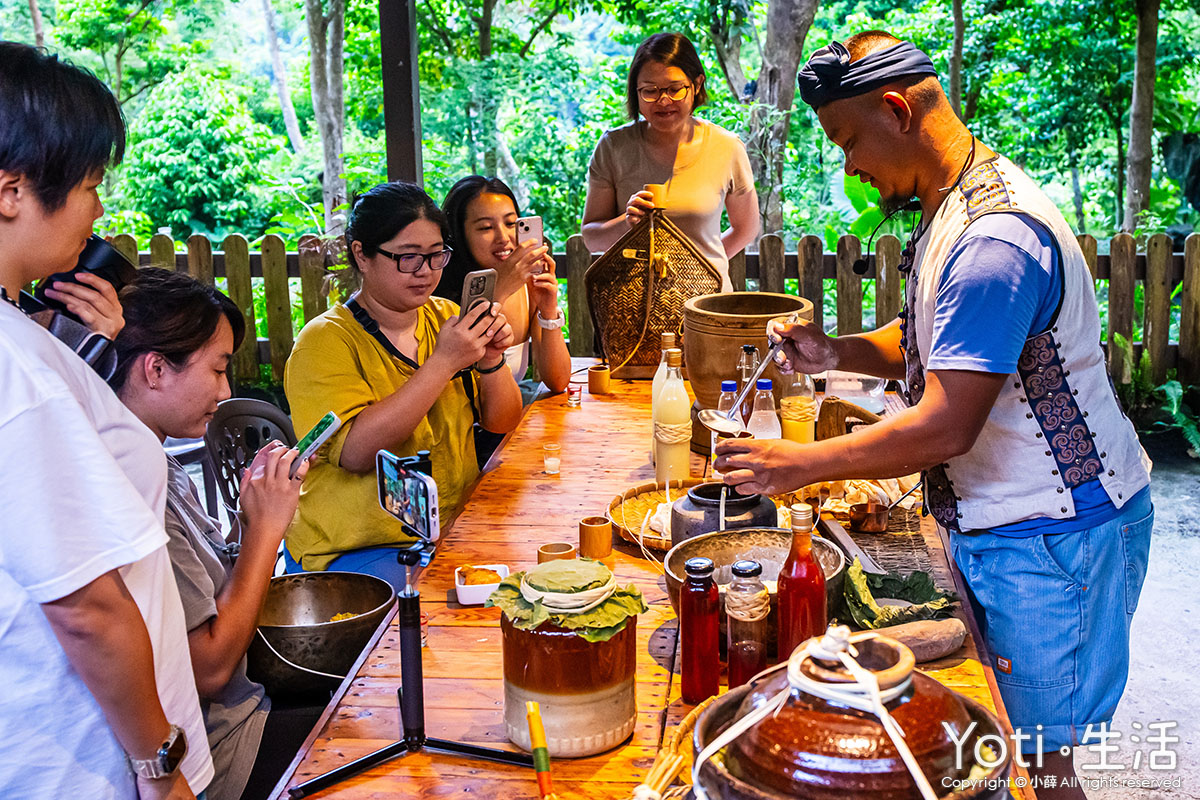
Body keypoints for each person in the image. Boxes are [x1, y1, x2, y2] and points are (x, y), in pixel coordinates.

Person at [716, 32, 1153, 797]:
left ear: (896, 109)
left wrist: (800, 466)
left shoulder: (995, 241)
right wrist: (836, 351)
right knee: (1002, 745)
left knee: (1039, 770)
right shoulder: (954, 196)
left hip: (1054, 537)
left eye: (848, 142)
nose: (849, 165)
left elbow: (948, 423)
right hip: (1004, 523)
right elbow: (939, 342)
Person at [0, 43, 212, 799]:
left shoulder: (24, 341)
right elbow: (86, 604)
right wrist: (160, 767)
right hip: (86, 765)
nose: (98, 210)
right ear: (11, 190)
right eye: (91, 185)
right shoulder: (14, 366)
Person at [110, 268, 319, 800]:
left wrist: (253, 515)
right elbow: (210, 666)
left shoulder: (157, 457)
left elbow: (213, 577)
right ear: (156, 369)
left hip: (244, 708)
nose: (226, 391)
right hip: (220, 753)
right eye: (218, 370)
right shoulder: (134, 489)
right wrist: (264, 534)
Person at [283, 181, 522, 588]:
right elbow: (356, 452)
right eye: (408, 258)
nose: (426, 272)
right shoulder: (323, 341)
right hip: (357, 549)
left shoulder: (445, 315)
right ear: (362, 254)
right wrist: (444, 362)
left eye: (436, 256)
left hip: (448, 528)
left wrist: (491, 360)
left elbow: (503, 423)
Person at [581, 32, 760, 291]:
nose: (663, 101)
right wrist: (627, 223)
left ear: (696, 85)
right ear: (636, 92)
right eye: (650, 91)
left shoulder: (727, 146)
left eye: (675, 89)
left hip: (707, 307)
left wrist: (698, 269)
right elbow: (591, 237)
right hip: (632, 310)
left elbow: (746, 229)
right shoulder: (614, 148)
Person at [436, 176, 572, 464]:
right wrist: (504, 287)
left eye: (511, 224)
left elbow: (557, 380)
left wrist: (547, 308)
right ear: (459, 234)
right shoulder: (442, 298)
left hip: (508, 433)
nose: (503, 237)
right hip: (461, 445)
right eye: (485, 227)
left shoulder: (527, 285)